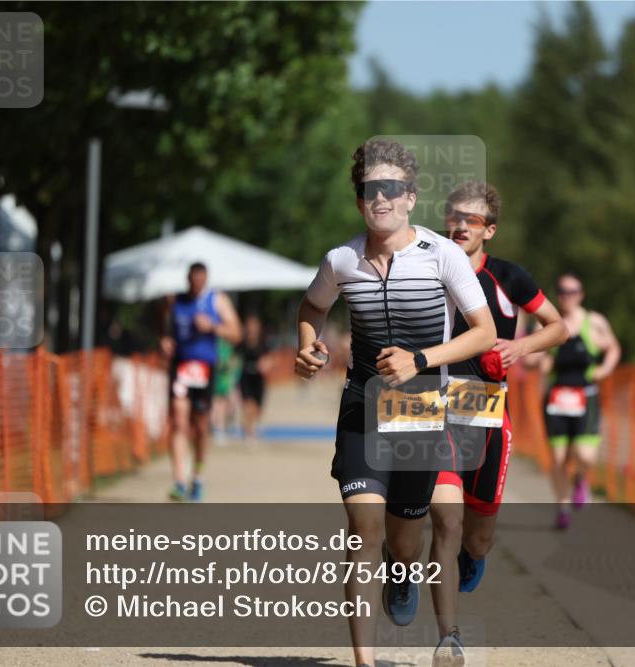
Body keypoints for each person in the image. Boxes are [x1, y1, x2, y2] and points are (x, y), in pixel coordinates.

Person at [295, 139, 496, 667]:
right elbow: (312, 305)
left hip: (420, 412)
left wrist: (421, 360)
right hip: (362, 407)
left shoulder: (443, 255)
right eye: (369, 189)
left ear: (410, 196)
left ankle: (401, 571)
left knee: (405, 543)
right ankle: (365, 663)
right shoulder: (342, 259)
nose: (379, 198)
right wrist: (306, 345)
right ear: (358, 198)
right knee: (364, 527)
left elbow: (483, 333)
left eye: (390, 188)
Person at [428, 181, 569, 665]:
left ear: (489, 230)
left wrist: (519, 347)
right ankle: (448, 633)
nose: (460, 224)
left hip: (488, 414)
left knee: (478, 535)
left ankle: (472, 555)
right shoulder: (424, 269)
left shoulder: (510, 277)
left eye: (472, 219)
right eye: (454, 215)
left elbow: (558, 325)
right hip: (429, 408)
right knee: (443, 519)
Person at [540, 273, 621, 529]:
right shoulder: (549, 322)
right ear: (558, 294)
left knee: (584, 455)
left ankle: (581, 479)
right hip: (556, 397)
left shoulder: (594, 322)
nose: (568, 296)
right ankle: (562, 507)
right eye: (563, 291)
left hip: (585, 396)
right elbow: (534, 356)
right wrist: (538, 360)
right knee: (558, 456)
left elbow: (613, 348)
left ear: (581, 294)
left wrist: (605, 370)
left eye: (573, 291)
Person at [159, 263, 241, 501]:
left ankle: (198, 476)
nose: (196, 285)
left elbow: (237, 333)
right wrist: (164, 341)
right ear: (187, 279)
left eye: (201, 281)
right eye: (193, 281)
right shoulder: (175, 301)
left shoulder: (217, 301)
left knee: (201, 426)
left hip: (206, 368)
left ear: (205, 280)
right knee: (178, 419)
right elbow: (165, 329)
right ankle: (179, 481)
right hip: (181, 367)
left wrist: (213, 326)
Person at [238, 314, 273, 443]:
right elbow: (235, 357)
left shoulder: (262, 342)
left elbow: (270, 358)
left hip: (259, 378)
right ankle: (249, 432)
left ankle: (251, 427)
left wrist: (265, 364)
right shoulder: (243, 342)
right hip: (246, 376)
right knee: (249, 405)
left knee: (257, 408)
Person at [211, 336, 242, 444]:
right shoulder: (215, 343)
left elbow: (234, 361)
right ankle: (218, 429)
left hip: (227, 380)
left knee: (230, 405)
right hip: (216, 380)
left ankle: (229, 426)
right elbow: (217, 361)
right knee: (217, 405)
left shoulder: (229, 346)